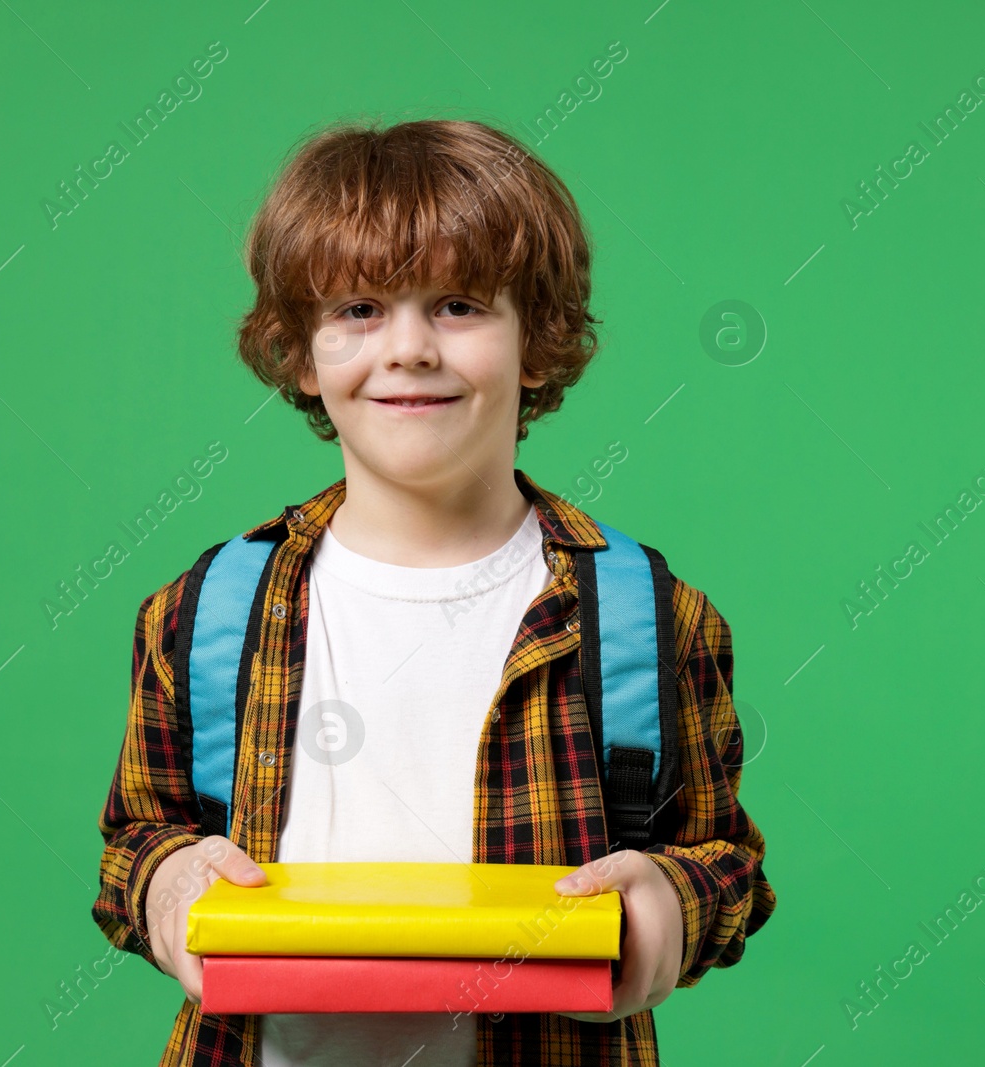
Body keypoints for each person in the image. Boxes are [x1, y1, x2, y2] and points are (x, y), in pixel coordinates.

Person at [91, 116, 776, 1066]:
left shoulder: (645, 618)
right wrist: (169, 883)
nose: (409, 347)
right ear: (300, 350)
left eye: (458, 304)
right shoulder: (210, 610)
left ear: (537, 340)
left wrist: (666, 906)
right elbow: (138, 834)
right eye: (359, 310)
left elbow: (724, 860)